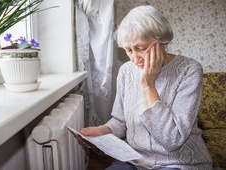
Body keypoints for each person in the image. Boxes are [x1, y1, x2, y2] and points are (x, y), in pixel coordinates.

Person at [80, 5, 213, 170]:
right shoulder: (126, 71)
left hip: (179, 163)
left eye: (141, 49)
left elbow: (173, 140)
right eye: (128, 50)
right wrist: (101, 131)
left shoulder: (189, 70)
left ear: (163, 42)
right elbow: (120, 122)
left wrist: (148, 86)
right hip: (136, 161)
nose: (135, 58)